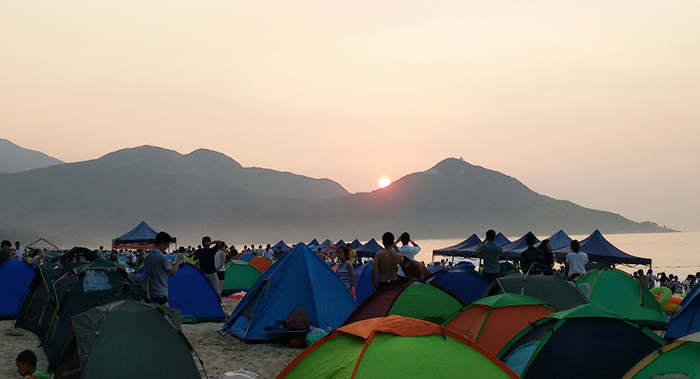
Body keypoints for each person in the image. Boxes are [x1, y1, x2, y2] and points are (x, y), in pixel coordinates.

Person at [144, 231, 183, 306]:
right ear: (162, 244)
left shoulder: (147, 257)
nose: (167, 248)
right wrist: (178, 259)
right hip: (161, 293)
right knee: (166, 316)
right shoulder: (162, 257)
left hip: (150, 293)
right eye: (167, 245)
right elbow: (173, 272)